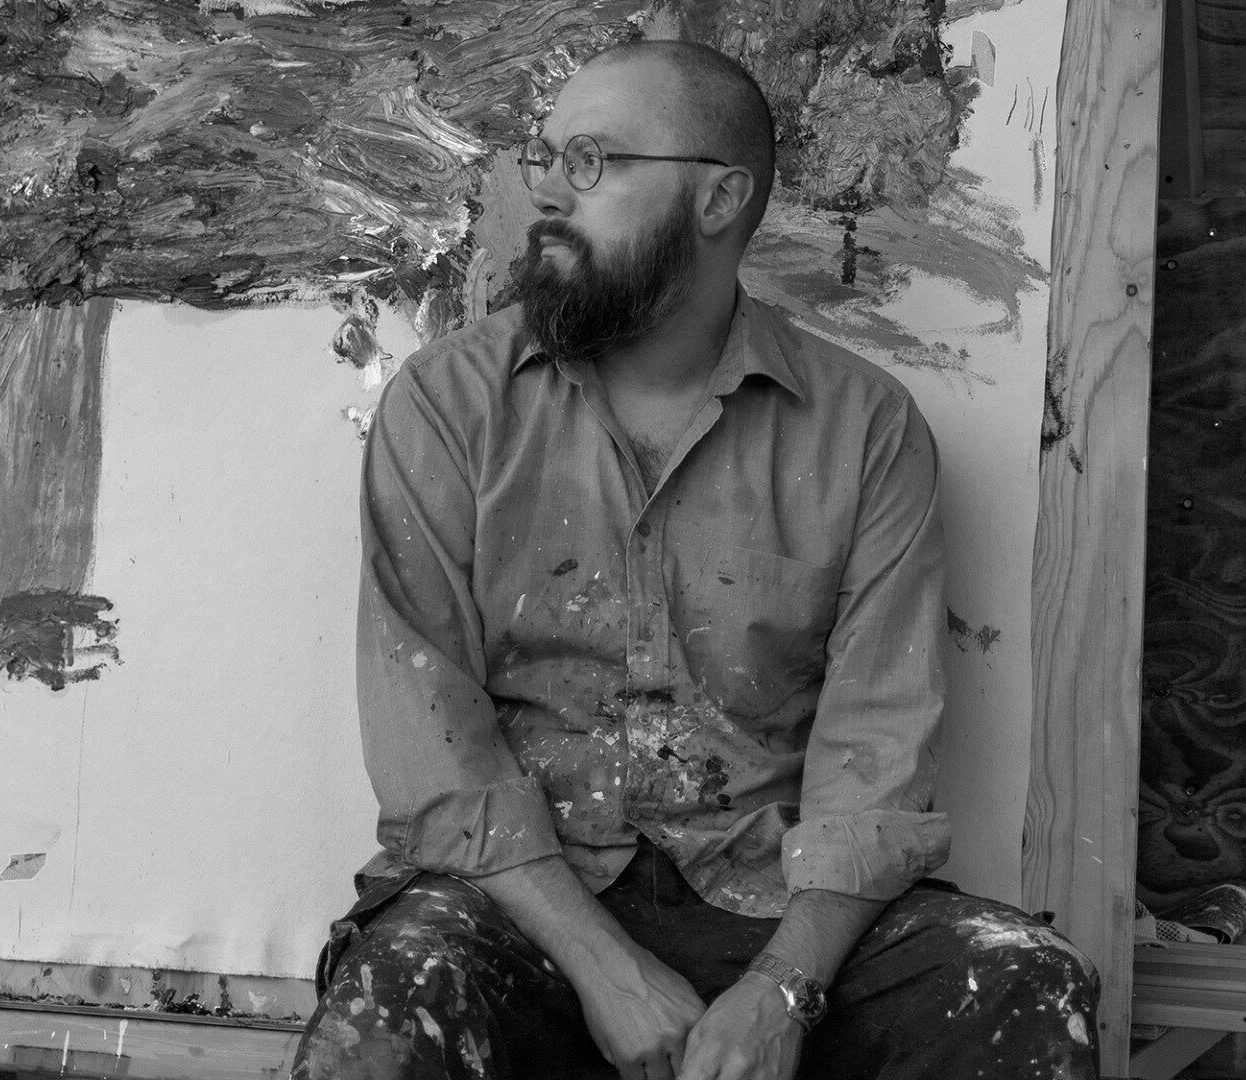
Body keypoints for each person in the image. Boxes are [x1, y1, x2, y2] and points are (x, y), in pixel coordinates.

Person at [291, 38, 1098, 1080]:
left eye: (591, 160)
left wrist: (782, 992)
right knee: (400, 992)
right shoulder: (449, 406)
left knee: (1026, 977)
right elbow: (433, 748)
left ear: (719, 198)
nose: (547, 192)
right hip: (521, 905)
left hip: (770, 904)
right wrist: (608, 972)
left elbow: (875, 758)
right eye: (545, 157)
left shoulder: (864, 430)